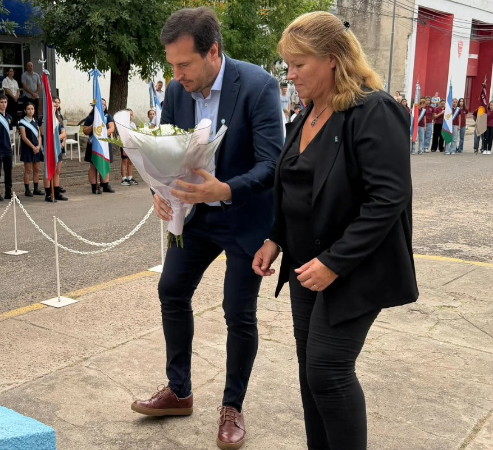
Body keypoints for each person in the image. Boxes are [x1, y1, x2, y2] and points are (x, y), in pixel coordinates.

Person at [252, 12, 418, 450]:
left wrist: (334, 263)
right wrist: (276, 237)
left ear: (332, 60)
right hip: (307, 266)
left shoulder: (373, 109)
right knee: (312, 372)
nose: (290, 75)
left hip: (355, 267)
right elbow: (294, 187)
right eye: (287, 65)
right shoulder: (307, 114)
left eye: (298, 65)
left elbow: (388, 198)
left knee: (328, 370)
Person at [129, 8, 283, 450]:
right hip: (193, 218)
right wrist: (158, 192)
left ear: (213, 52)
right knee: (171, 290)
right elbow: (162, 151)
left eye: (184, 65)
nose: (176, 76)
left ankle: (232, 406)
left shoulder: (258, 86)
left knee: (238, 312)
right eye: (171, 66)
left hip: (245, 217)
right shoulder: (178, 93)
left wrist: (224, 190)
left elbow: (273, 164)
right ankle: (179, 391)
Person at [83, 98, 116, 194]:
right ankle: (94, 186)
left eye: (104, 104)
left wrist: (102, 135)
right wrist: (92, 126)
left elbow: (112, 128)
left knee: (105, 163)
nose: (102, 106)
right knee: (93, 166)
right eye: (100, 104)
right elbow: (85, 131)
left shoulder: (108, 116)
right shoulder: (90, 117)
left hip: (104, 143)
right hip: (93, 143)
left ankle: (105, 185)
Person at [0, 93, 15, 200]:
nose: (4, 104)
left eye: (5, 102)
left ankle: (8, 192)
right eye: (1, 102)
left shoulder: (9, 117)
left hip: (7, 148)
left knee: (8, 172)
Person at [18, 103, 44, 197]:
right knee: (28, 170)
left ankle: (36, 188)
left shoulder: (35, 121)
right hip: (28, 149)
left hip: (37, 148)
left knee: (37, 169)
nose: (31, 111)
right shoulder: (22, 122)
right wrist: (33, 147)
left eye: (32, 109)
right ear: (25, 111)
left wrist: (38, 146)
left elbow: (39, 136)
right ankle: (27, 189)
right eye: (28, 109)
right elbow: (24, 137)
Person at [53, 97, 68, 195]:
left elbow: (64, 132)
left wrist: (63, 141)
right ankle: (52, 189)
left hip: (59, 145)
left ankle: (57, 187)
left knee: (58, 169)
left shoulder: (59, 117)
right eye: (55, 103)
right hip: (52, 146)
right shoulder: (46, 117)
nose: (57, 105)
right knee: (52, 168)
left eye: (58, 103)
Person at [121, 109, 138, 186]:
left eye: (131, 115)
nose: (130, 117)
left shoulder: (133, 124)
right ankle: (124, 178)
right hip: (125, 144)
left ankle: (130, 177)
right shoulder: (123, 124)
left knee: (131, 161)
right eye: (129, 115)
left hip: (132, 145)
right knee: (125, 161)